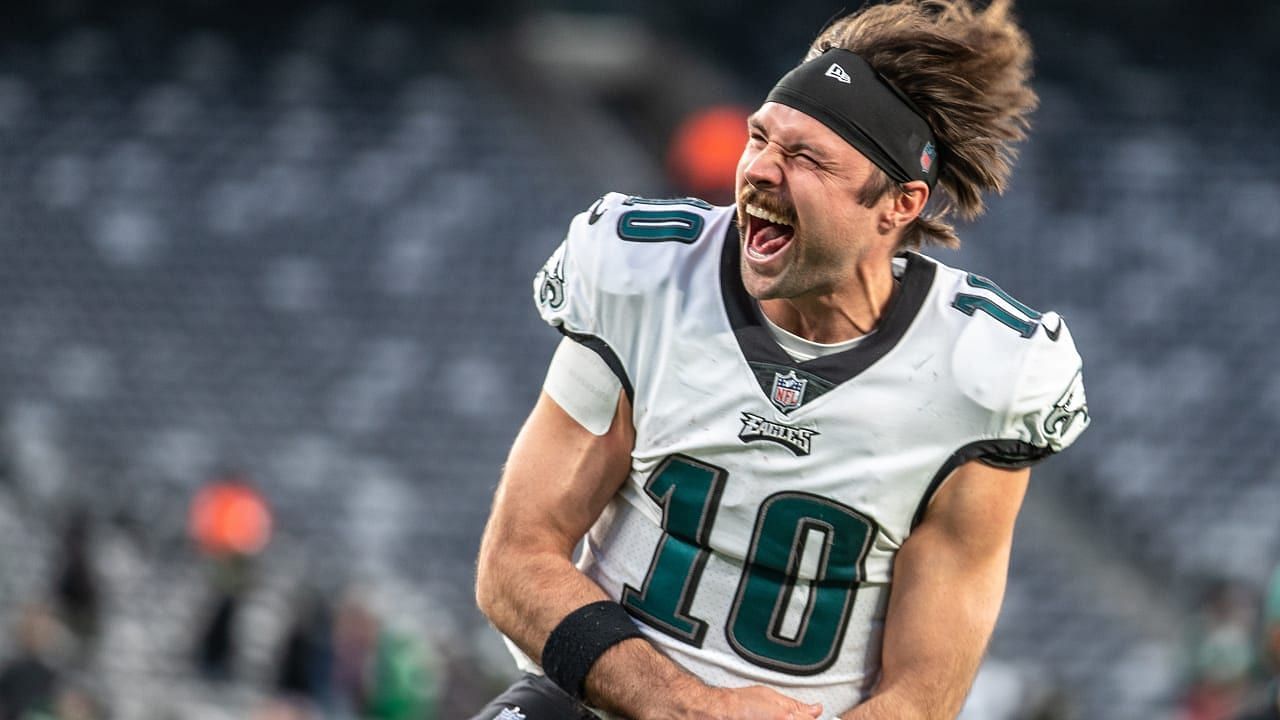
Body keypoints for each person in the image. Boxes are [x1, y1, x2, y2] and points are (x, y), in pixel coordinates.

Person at [473, 1, 1090, 718]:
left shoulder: (983, 372)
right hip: (597, 702)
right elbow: (515, 562)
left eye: (805, 158)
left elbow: (921, 696)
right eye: (760, 139)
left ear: (899, 203)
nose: (760, 171)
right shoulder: (642, 277)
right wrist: (685, 707)